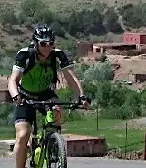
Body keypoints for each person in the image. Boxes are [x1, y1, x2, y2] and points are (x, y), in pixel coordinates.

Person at [8, 24, 90, 168]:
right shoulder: (25, 54)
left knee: (57, 115)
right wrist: (16, 96)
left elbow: (71, 79)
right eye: (43, 44)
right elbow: (13, 80)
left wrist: (82, 96)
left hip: (46, 96)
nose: (48, 47)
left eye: (51, 43)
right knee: (22, 135)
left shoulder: (58, 55)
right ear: (36, 43)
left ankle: (52, 143)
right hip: (25, 96)